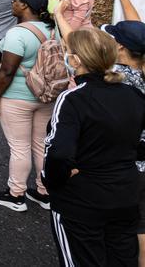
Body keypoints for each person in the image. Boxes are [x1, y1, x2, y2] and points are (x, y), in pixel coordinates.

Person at [43, 28, 145, 266]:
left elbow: (58, 152)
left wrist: (54, 181)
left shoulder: (73, 99)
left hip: (81, 202)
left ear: (76, 60)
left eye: (69, 52)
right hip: (125, 195)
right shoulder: (133, 95)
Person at [0, 0, 55, 212]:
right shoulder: (53, 30)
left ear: (24, 5)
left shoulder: (18, 34)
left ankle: (16, 195)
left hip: (17, 98)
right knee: (40, 145)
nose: (12, 3)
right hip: (46, 96)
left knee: (19, 147)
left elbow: (7, 71)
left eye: (15, 0)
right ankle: (44, 192)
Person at [102, 20, 145, 263]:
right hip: (142, 165)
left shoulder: (115, 81)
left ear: (120, 47)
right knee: (141, 227)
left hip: (122, 167)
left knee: (112, 234)